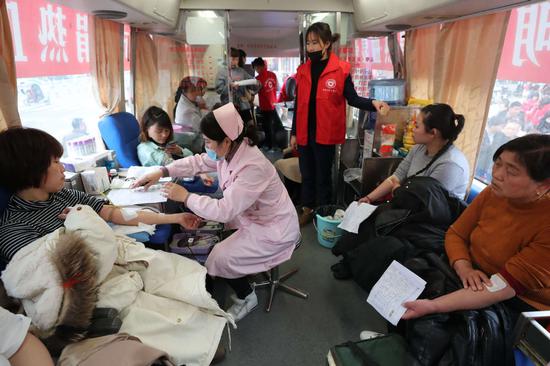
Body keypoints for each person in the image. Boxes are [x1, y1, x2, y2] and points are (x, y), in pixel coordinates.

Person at [132, 103, 300, 322]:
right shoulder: (231, 149)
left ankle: (247, 297)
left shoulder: (252, 166)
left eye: (209, 141)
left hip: (274, 229)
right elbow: (199, 161)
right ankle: (243, 273)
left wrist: (186, 197)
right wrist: (163, 170)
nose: (206, 146)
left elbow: (224, 210)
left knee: (217, 259)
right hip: (256, 217)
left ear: (226, 141)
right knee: (224, 242)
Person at [402, 134, 550, 321]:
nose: (496, 174)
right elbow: (456, 234)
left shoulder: (545, 222)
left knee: (436, 321)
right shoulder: (495, 192)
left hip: (516, 301)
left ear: (544, 185)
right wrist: (463, 266)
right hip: (471, 276)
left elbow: (501, 287)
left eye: (512, 172)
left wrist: (434, 306)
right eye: (498, 163)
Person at [0, 127, 201, 263]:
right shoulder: (14, 229)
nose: (62, 169)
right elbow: (55, 274)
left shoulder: (65, 196)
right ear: (32, 169)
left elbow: (115, 214)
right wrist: (82, 223)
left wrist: (176, 217)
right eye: (55, 162)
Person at [290, 22, 390, 226]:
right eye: (308, 43)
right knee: (307, 174)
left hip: (325, 134)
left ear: (327, 44)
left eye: (314, 43)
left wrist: (373, 103)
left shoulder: (341, 70)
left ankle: (323, 212)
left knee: (323, 177)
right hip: (303, 133)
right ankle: (307, 209)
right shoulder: (302, 71)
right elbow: (298, 103)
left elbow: (352, 98)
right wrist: (293, 132)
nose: (310, 48)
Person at [359, 103, 470, 203]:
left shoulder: (450, 165)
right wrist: (369, 198)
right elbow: (396, 178)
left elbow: (424, 203)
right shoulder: (418, 148)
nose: (412, 129)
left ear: (433, 133)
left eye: (416, 126)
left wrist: (397, 191)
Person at [215, 48, 259, 124]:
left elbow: (251, 85)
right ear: (226, 59)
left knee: (249, 127)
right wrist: (229, 86)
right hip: (228, 106)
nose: (234, 62)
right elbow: (219, 90)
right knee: (232, 129)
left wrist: (256, 83)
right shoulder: (221, 72)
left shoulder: (241, 71)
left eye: (236, 60)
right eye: (232, 59)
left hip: (243, 105)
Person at [174, 76, 208, 154]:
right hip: (192, 144)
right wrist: (203, 109)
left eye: (200, 89)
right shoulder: (187, 110)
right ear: (185, 92)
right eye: (193, 91)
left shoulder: (189, 101)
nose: (199, 93)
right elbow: (203, 127)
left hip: (195, 137)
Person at [252, 57, 279, 150]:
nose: (256, 70)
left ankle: (269, 146)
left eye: (255, 68)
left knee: (267, 127)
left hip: (265, 106)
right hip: (274, 104)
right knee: (273, 126)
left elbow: (253, 92)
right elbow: (276, 87)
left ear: (258, 67)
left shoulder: (258, 79)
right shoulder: (273, 74)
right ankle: (273, 145)